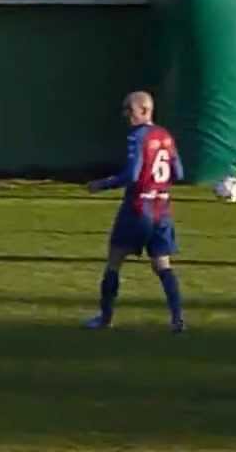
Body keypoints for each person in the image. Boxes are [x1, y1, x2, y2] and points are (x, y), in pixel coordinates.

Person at [82, 90, 186, 333]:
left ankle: (105, 318)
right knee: (163, 266)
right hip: (162, 211)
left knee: (114, 262)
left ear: (144, 110)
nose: (126, 116)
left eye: (130, 110)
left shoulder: (138, 137)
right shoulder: (166, 136)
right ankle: (177, 318)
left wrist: (101, 184)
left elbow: (132, 175)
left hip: (138, 209)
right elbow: (179, 173)